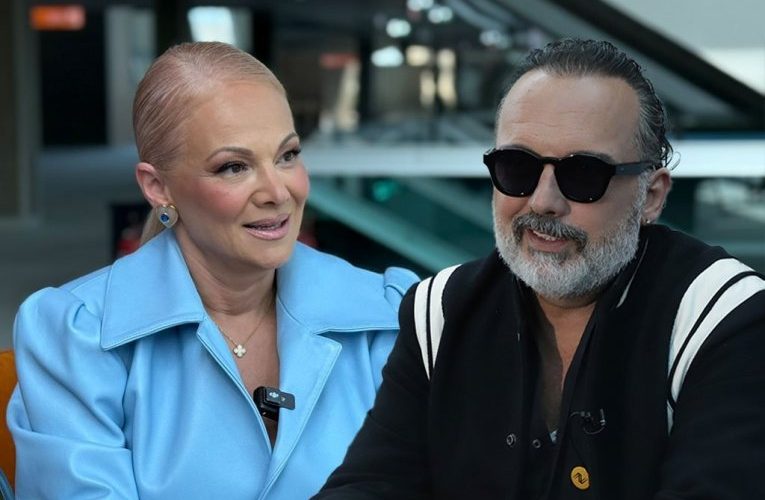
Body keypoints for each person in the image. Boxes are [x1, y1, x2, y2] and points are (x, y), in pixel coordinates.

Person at [315, 39, 765, 499]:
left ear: (651, 196)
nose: (544, 201)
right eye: (517, 167)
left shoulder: (721, 316)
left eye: (583, 175)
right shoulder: (440, 312)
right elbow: (370, 484)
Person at [8, 41, 418, 499]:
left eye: (287, 155)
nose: (277, 192)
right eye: (234, 167)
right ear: (158, 187)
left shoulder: (390, 314)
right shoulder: (76, 335)